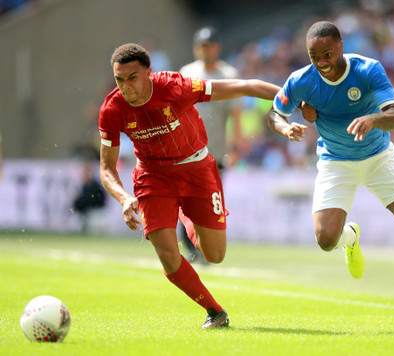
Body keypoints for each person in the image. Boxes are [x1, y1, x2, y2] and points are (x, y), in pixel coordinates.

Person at [267, 21, 394, 333]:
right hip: (335, 161)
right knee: (325, 239)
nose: (321, 63)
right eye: (314, 56)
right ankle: (351, 238)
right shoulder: (301, 81)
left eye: (327, 54)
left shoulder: (368, 70)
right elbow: (275, 113)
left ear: (341, 47)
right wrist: (285, 127)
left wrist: (373, 118)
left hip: (378, 158)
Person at [98, 43, 281, 328]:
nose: (126, 87)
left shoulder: (175, 87)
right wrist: (123, 198)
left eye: (132, 78)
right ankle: (214, 311)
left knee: (215, 255)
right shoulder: (112, 109)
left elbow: (246, 86)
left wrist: (294, 98)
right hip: (153, 177)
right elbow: (107, 167)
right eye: (119, 80)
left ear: (149, 72)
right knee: (168, 255)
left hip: (196, 169)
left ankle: (185, 212)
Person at [178, 26, 243, 264]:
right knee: (185, 203)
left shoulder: (228, 74)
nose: (206, 50)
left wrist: (234, 148)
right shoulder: (187, 73)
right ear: (197, 48)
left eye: (210, 45)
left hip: (214, 153)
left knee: (210, 204)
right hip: (185, 152)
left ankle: (204, 250)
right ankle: (193, 250)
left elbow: (235, 115)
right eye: (202, 46)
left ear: (217, 47)